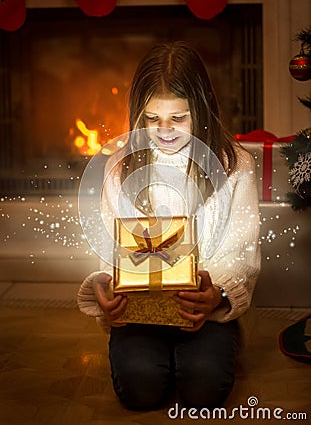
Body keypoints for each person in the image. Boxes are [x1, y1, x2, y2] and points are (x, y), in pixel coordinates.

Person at [78, 41, 261, 411]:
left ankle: (204, 353)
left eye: (178, 118)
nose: (164, 131)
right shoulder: (119, 169)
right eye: (151, 118)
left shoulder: (235, 166)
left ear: (202, 110)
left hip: (203, 309)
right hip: (140, 309)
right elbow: (108, 245)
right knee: (140, 390)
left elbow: (242, 248)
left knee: (204, 392)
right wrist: (104, 281)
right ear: (137, 115)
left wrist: (218, 294)